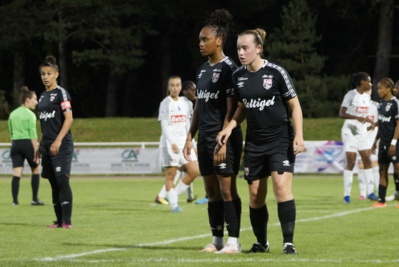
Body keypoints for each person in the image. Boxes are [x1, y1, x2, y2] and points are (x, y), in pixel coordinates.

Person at [216, 28, 304, 255]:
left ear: (259, 48)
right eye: (238, 49)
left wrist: (299, 135)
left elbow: (294, 105)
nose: (241, 53)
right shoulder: (238, 77)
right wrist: (230, 127)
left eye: (245, 48)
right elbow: (242, 107)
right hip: (254, 142)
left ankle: (288, 242)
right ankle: (262, 243)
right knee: (255, 196)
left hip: (279, 139)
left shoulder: (276, 72)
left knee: (281, 188)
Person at [183, 9, 243, 254]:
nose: (200, 43)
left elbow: (232, 108)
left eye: (204, 39)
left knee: (227, 189)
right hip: (205, 138)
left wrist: (224, 140)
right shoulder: (201, 70)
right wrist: (190, 136)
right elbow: (199, 105)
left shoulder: (230, 68)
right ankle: (217, 239)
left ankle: (234, 242)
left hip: (223, 139)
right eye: (199, 39)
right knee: (210, 191)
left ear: (219, 41)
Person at [36, 55, 74, 229]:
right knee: (52, 183)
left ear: (56, 74)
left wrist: (58, 141)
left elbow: (69, 119)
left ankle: (67, 222)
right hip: (47, 145)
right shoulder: (43, 96)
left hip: (61, 144)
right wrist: (40, 144)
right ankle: (58, 221)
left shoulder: (61, 93)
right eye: (43, 73)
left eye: (49, 73)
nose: (45, 76)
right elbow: (46, 124)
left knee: (62, 181)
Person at [158, 76, 199, 212]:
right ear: (169, 87)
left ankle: (172, 195)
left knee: (194, 172)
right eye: (172, 85)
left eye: (177, 85)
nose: (175, 88)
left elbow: (188, 126)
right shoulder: (165, 103)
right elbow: (164, 125)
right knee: (171, 174)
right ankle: (174, 205)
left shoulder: (187, 103)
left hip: (184, 143)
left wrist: (192, 144)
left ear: (180, 88)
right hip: (169, 144)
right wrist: (172, 143)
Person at [339, 72, 378, 203]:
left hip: (362, 133)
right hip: (350, 132)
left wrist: (367, 120)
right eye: (369, 81)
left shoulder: (366, 97)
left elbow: (364, 113)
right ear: (362, 82)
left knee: (367, 160)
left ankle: (371, 192)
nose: (370, 84)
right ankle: (346, 195)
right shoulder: (351, 95)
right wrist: (358, 118)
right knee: (351, 162)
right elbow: (342, 113)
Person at [8, 86, 44, 206]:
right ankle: (34, 199)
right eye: (35, 99)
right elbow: (33, 134)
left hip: (15, 144)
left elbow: (11, 133)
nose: (37, 102)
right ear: (27, 100)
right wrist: (36, 150)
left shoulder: (13, 114)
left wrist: (13, 146)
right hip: (27, 143)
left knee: (17, 173)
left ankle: (15, 201)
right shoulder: (31, 115)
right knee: (35, 169)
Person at [371, 78, 399, 207]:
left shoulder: (396, 103)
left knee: (398, 169)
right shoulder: (380, 104)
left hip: (395, 143)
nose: (378, 91)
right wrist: (374, 142)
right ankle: (381, 200)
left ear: (388, 89)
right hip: (382, 143)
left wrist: (393, 143)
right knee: (382, 170)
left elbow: (398, 125)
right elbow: (381, 124)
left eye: (381, 88)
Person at [357, 90, 379, 199]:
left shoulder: (376, 106)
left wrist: (375, 141)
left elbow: (381, 122)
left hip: (373, 140)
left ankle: (378, 190)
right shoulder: (355, 106)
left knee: (374, 164)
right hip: (360, 140)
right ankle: (362, 193)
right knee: (361, 165)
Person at [386, 79, 399, 202]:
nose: (395, 89)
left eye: (397, 88)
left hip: (395, 140)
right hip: (395, 139)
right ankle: (397, 192)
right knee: (396, 167)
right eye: (394, 87)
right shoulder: (393, 102)